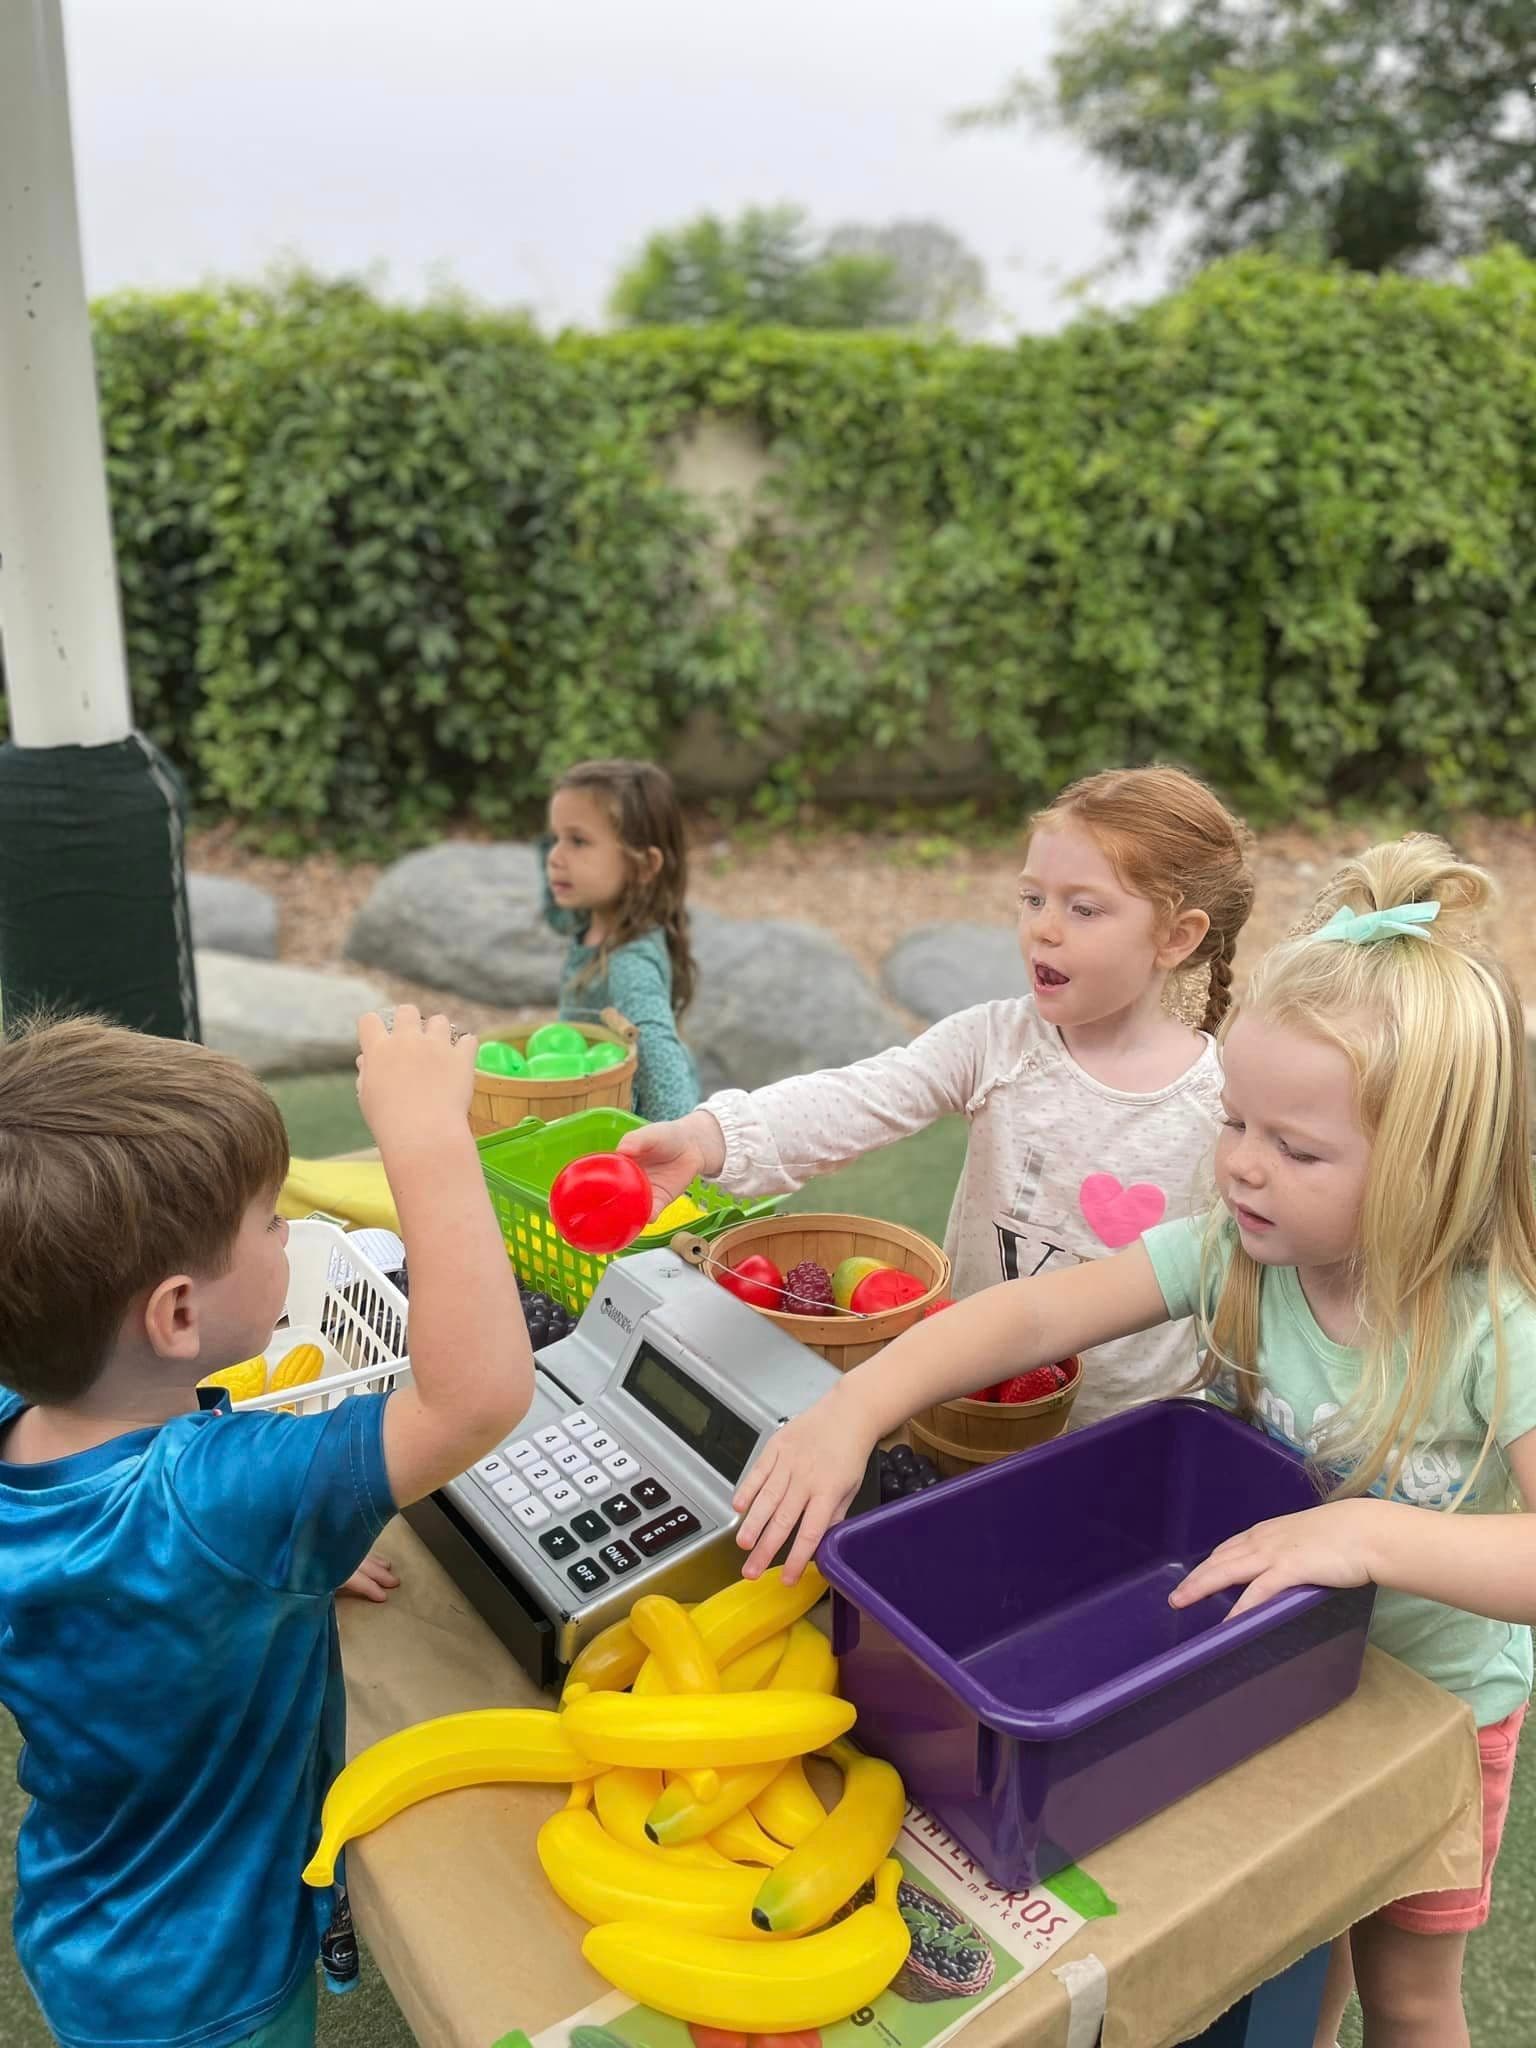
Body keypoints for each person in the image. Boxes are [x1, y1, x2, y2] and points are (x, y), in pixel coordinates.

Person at [736, 836, 1536, 2048]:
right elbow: (1039, 1310)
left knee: (1409, 1992)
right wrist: (854, 1408)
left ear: (1433, 1165)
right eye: (1236, 1124)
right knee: (1293, 1931)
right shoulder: (1239, 1246)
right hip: (1267, 1660)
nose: (1244, 1167)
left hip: (1426, 1700)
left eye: (1297, 1148)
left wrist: (1365, 1534)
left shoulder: (1493, 1326)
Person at [0, 1007, 532, 2048]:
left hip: (88, 1924)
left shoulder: (30, 1426)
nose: (286, 1232)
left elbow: (134, 1597)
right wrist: (427, 1137)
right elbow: (474, 1397)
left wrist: (257, 1577)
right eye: (269, 1221)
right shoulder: (219, 1498)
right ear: (178, 1316)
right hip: (217, 1984)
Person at [622, 764, 1256, 1427]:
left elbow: (1259, 1275)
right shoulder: (995, 1043)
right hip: (969, 1405)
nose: (1044, 928)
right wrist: (708, 1138)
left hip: (1132, 1438)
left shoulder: (1227, 1105)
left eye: (1084, 908)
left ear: (1176, 937)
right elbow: (859, 1098)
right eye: (1033, 898)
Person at [543, 758, 701, 1122]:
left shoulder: (630, 962)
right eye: (555, 839)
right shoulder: (589, 919)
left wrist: (682, 1158)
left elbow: (661, 1068)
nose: (554, 857)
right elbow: (550, 906)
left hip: (631, 1139)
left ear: (644, 866)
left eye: (578, 841)